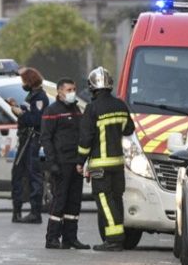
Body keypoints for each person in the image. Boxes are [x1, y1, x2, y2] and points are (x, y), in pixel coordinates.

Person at [77, 67, 135, 252]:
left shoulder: (92, 108)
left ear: (92, 87)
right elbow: (129, 129)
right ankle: (117, 237)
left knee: (104, 199)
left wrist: (80, 161)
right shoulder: (120, 105)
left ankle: (114, 239)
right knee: (116, 199)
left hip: (99, 164)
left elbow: (85, 139)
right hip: (118, 163)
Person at [41, 78, 90, 250]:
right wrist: (52, 163)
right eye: (69, 90)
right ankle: (52, 238)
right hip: (61, 163)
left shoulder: (76, 110)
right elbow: (46, 138)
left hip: (75, 162)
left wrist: (82, 160)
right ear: (60, 91)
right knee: (60, 201)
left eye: (74, 89)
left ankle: (70, 238)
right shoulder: (52, 111)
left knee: (74, 201)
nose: (72, 92)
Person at [8, 67, 49, 224]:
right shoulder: (32, 95)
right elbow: (30, 113)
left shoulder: (39, 97)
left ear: (30, 81)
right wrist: (18, 107)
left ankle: (35, 212)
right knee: (18, 174)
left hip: (32, 140)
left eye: (24, 81)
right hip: (25, 139)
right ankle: (17, 211)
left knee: (33, 176)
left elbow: (35, 120)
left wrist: (20, 113)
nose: (22, 84)